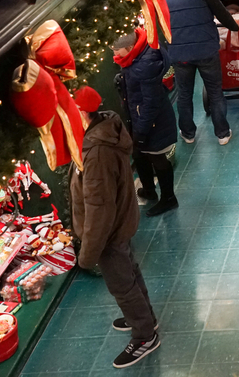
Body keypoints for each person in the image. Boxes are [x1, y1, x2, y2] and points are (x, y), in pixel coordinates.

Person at [70, 86, 160, 368]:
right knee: (129, 271)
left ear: (83, 114)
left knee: (122, 284)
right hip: (121, 223)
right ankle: (145, 317)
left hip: (108, 233)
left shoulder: (96, 153)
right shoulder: (105, 131)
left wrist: (87, 253)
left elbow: (99, 207)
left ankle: (145, 335)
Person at [163, 0, 239, 145]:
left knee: (184, 94)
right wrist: (234, 27)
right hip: (206, 51)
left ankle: (188, 133)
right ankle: (222, 133)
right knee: (215, 92)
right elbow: (221, 14)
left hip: (180, 54)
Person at [113, 28, 178, 217]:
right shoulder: (134, 58)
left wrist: (141, 132)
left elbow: (151, 103)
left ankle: (169, 198)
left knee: (158, 158)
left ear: (131, 47)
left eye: (117, 50)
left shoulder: (145, 65)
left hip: (153, 123)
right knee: (140, 155)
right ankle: (149, 189)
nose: (115, 54)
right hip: (140, 119)